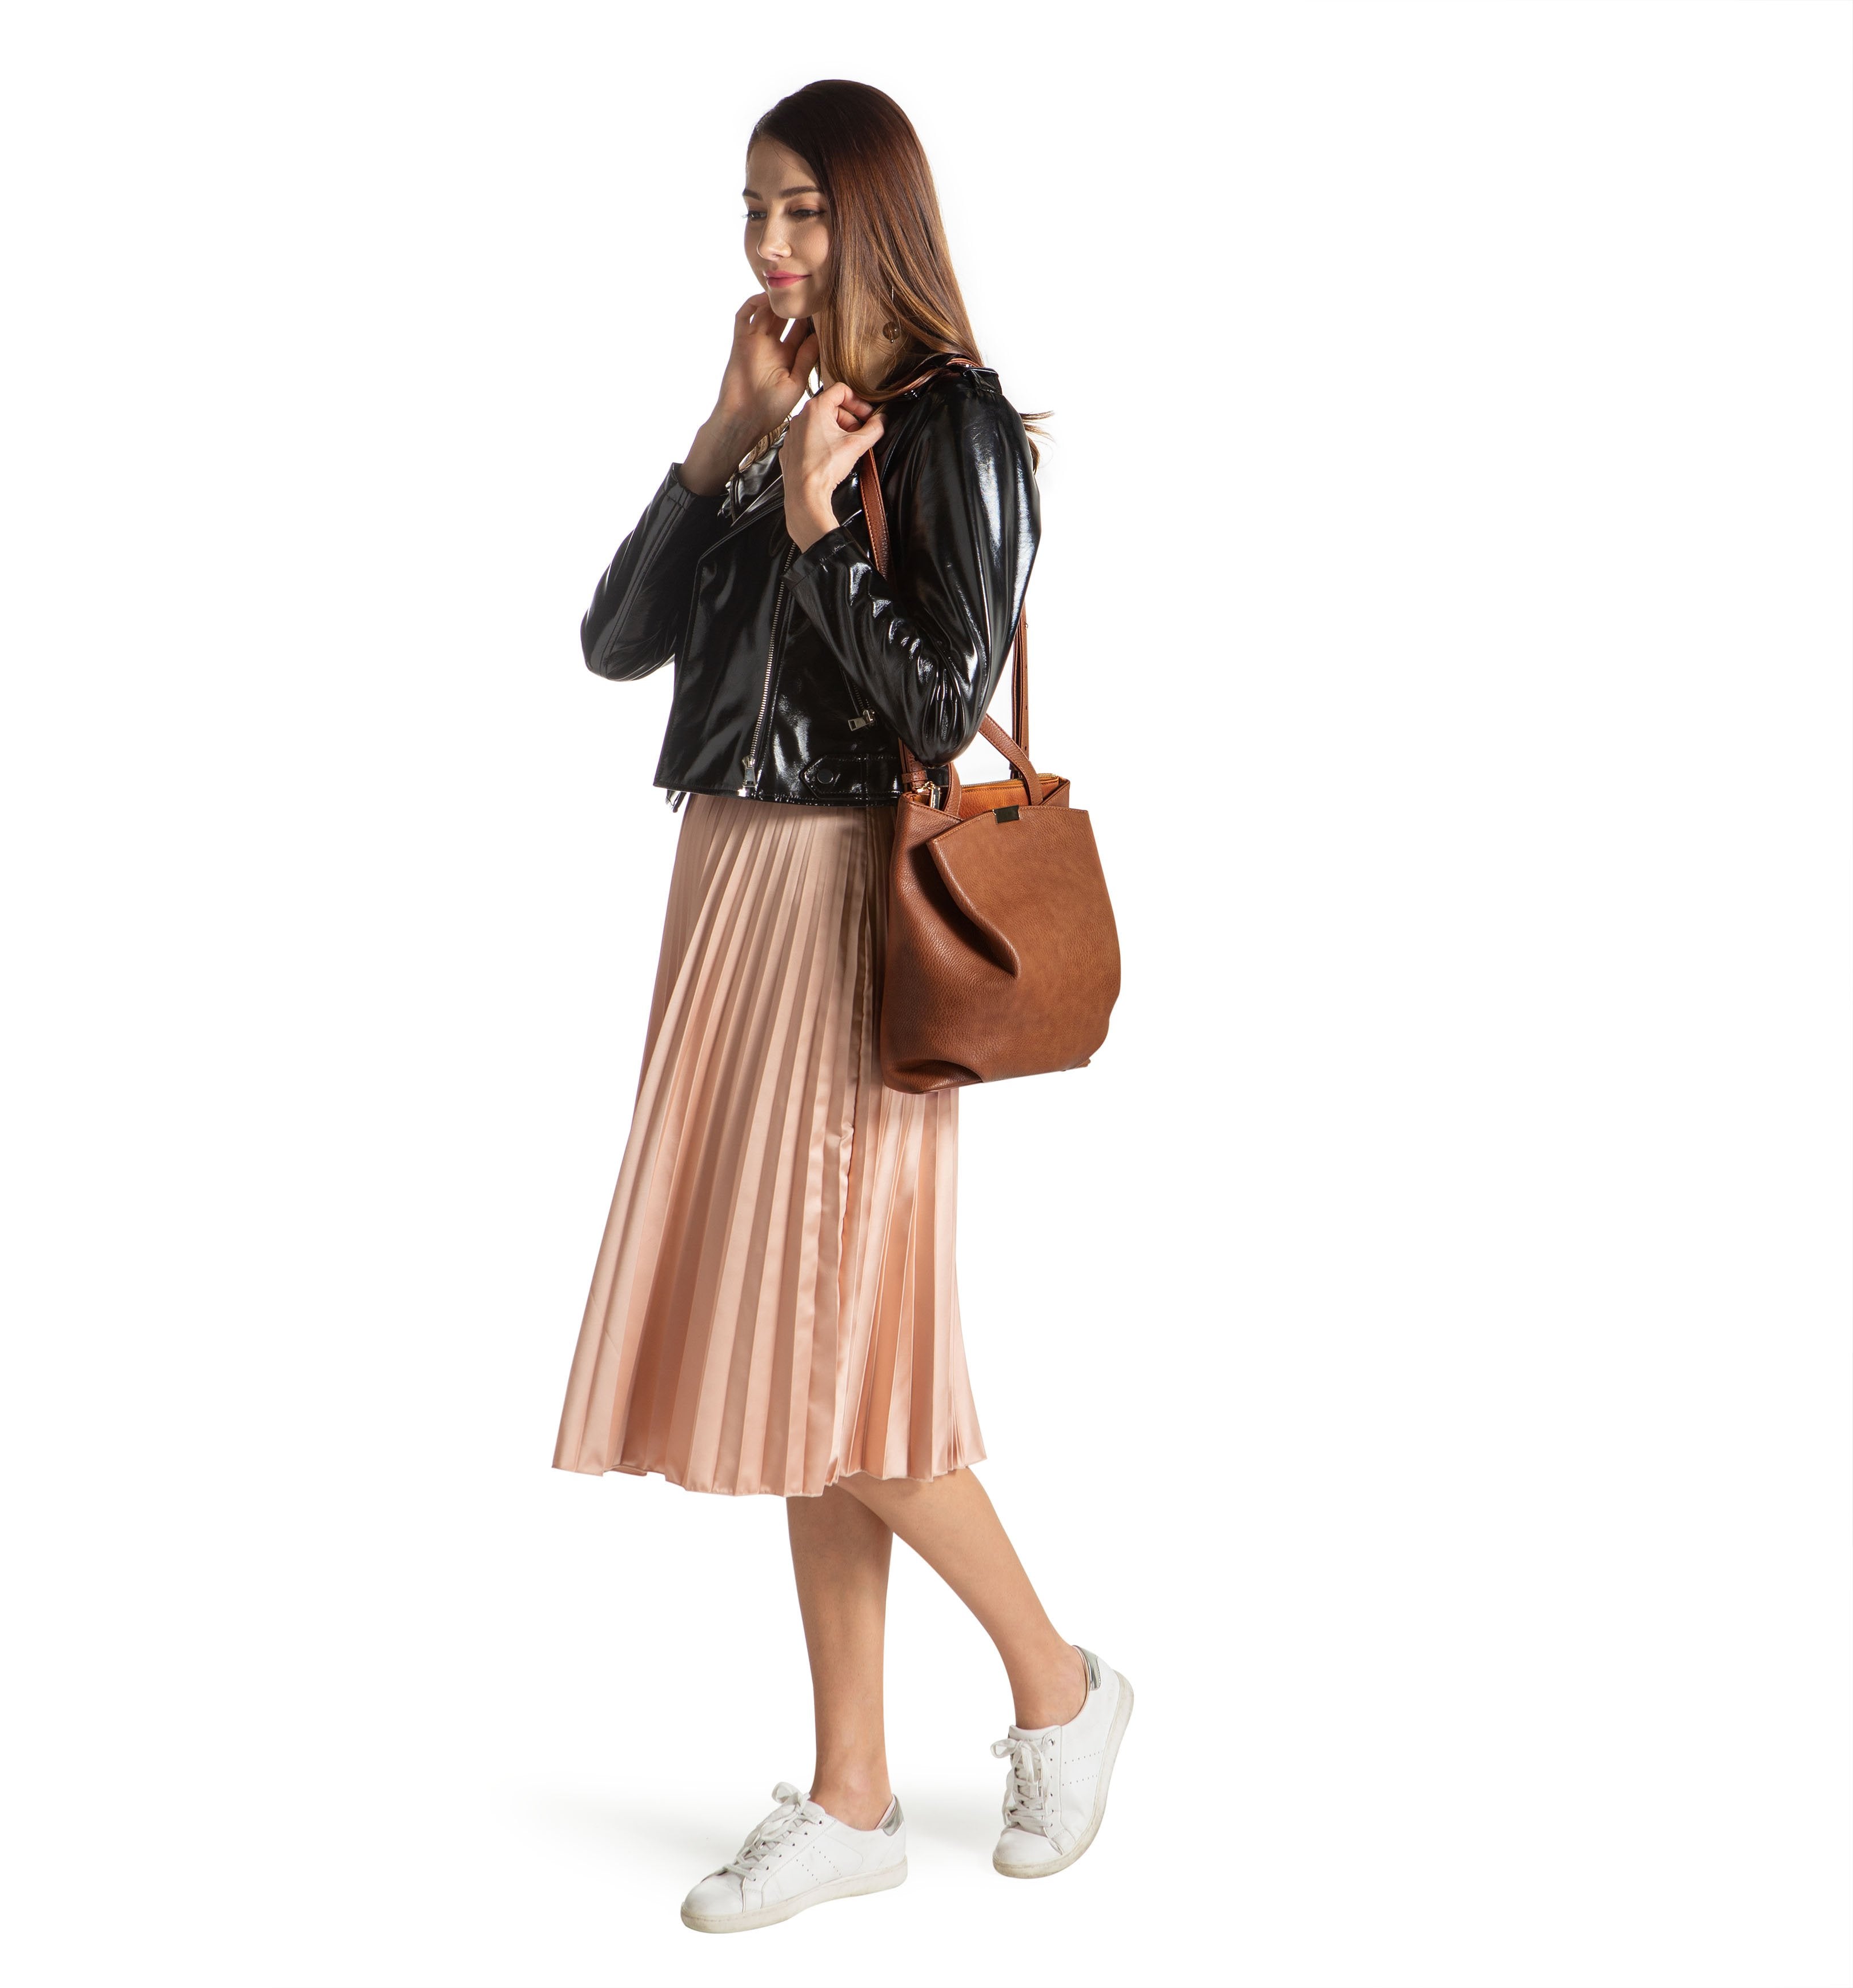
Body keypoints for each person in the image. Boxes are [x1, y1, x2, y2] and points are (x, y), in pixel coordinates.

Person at [551, 78, 1132, 1934]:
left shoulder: (956, 428)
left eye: (803, 211)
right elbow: (615, 641)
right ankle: (858, 1796)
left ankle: (1058, 1684)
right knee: (823, 1359)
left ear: (873, 216)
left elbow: (945, 707)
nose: (772, 246)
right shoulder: (782, 410)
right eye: (754, 211)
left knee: (830, 1352)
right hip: (728, 883)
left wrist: (820, 538)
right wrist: (728, 438)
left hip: (850, 904)